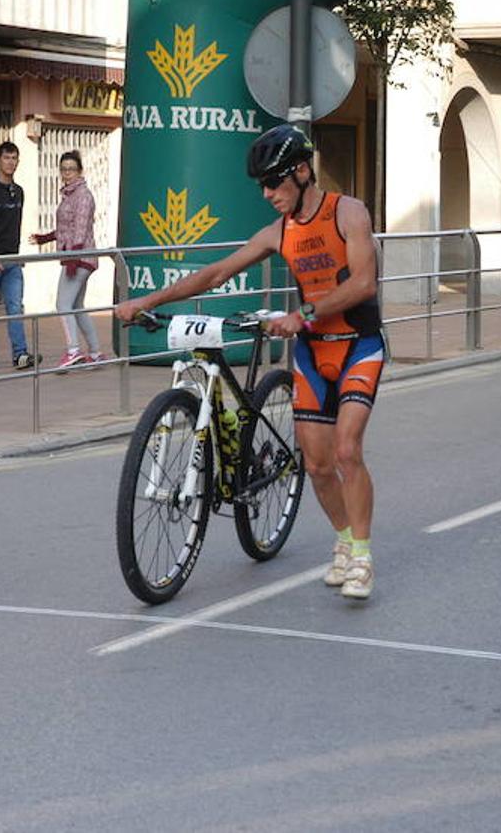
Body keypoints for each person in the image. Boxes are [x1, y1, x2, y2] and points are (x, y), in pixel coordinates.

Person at [115, 124, 384, 600]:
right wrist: (144, 301)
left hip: (357, 345)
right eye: (261, 184)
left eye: (274, 181)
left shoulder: (348, 212)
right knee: (318, 466)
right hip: (311, 351)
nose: (266, 193)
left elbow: (364, 283)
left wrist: (302, 313)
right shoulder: (278, 232)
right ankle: (343, 541)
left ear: (302, 172)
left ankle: (362, 556)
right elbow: (216, 272)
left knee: (346, 451)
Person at [31, 150, 106, 368]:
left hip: (79, 257)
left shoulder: (83, 195)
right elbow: (68, 227)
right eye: (63, 169)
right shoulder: (70, 195)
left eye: (71, 169)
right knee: (77, 305)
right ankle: (95, 353)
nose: (67, 173)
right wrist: (46, 237)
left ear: (80, 171)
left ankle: (73, 350)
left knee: (63, 304)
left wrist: (73, 258)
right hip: (78, 256)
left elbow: (81, 230)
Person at [0, 141, 39, 370]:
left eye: (14, 158)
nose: (10, 162)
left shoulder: (18, 191)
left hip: (12, 261)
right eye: (6, 158)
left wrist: (16, 256)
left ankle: (20, 354)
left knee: (15, 306)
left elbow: (14, 227)